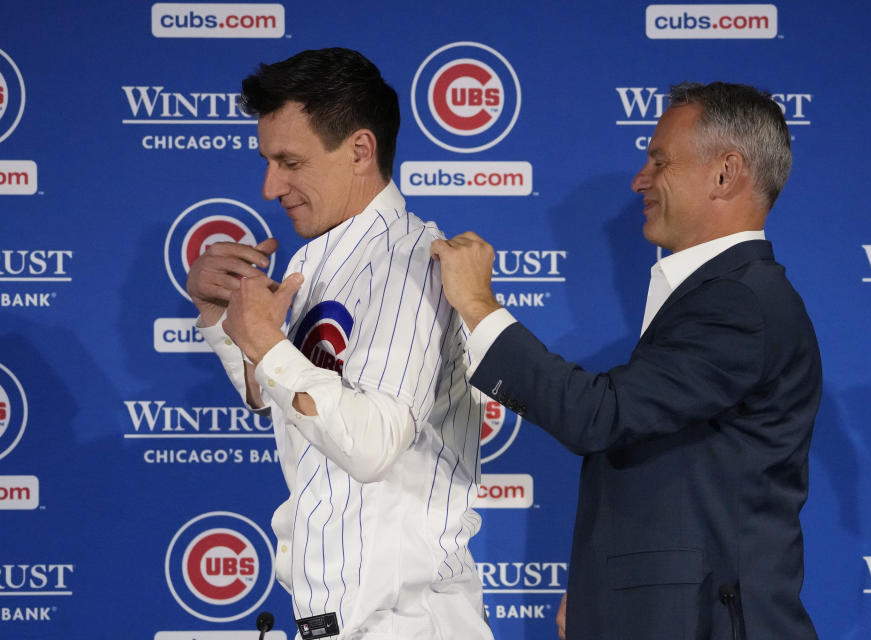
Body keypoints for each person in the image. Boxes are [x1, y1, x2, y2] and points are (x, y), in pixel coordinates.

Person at [431, 82, 821, 640]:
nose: (640, 178)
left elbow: (599, 416)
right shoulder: (720, 296)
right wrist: (601, 593)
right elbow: (670, 465)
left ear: (725, 173)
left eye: (659, 161)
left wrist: (477, 305)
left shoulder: (740, 302)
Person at [186, 48, 492, 640]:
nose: (270, 185)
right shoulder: (317, 257)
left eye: (289, 162)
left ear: (359, 150)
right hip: (334, 615)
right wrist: (219, 318)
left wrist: (266, 344)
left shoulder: (411, 261)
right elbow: (278, 390)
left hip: (406, 622)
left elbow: (372, 444)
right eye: (268, 161)